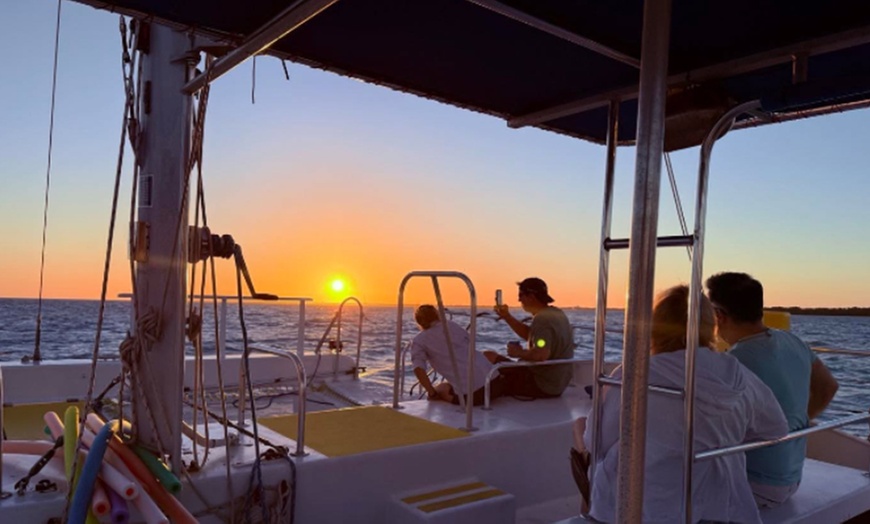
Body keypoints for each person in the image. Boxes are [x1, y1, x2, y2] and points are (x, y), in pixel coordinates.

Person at [576, 285, 788, 523]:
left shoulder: (634, 373)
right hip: (721, 505)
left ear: (654, 326)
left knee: (582, 428)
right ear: (711, 326)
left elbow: (598, 443)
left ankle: (590, 516)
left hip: (646, 507)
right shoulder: (739, 374)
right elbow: (776, 429)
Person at [706, 272, 839, 508]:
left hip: (753, 484)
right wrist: (798, 421)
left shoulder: (733, 362)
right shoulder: (794, 341)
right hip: (791, 480)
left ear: (719, 315)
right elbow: (829, 387)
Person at [488, 277, 574, 398]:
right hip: (557, 384)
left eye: (521, 295)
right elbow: (533, 335)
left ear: (531, 297)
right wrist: (507, 316)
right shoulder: (556, 314)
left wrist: (518, 352)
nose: (519, 299)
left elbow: (541, 354)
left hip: (540, 384)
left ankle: (457, 395)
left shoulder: (542, 319)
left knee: (489, 356)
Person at [410, 304, 500, 406]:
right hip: (495, 383)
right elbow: (469, 341)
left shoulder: (419, 340)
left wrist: (432, 393)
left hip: (475, 395)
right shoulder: (452, 325)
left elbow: (418, 369)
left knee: (441, 388)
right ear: (437, 315)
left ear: (419, 322)